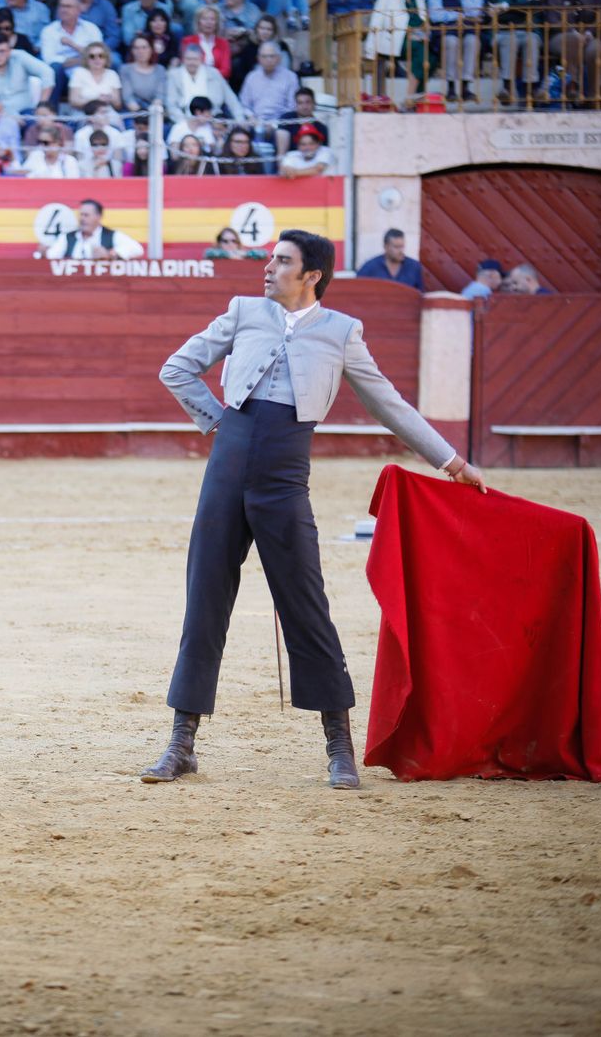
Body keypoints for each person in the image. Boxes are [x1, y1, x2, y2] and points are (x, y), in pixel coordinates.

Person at [144, 229, 487, 791]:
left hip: (284, 476)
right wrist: (218, 422)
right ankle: (181, 744)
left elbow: (389, 404)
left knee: (307, 605)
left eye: (282, 261)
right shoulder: (243, 311)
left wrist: (451, 462)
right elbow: (176, 368)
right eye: (271, 258)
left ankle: (339, 748)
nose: (268, 267)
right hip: (226, 471)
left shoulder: (341, 332)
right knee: (204, 600)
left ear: (312, 275)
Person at [484, 0, 543, 104]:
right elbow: (493, 16)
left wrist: (506, 7)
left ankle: (531, 87)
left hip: (529, 32)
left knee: (531, 40)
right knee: (510, 39)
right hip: (501, 33)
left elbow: (536, 8)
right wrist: (524, 9)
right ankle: (507, 87)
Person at [429, 0, 484, 102]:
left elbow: (474, 13)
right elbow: (435, 16)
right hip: (446, 31)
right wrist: (459, 15)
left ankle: (465, 87)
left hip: (468, 30)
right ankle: (451, 88)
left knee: (472, 41)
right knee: (451, 41)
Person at [0, 32, 53, 115]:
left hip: (24, 113)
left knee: (37, 123)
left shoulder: (20, 57)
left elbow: (48, 73)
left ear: (9, 51)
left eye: (2, 51)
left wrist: (42, 104)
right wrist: (9, 116)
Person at [45, 199, 143, 259]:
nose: (82, 219)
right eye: (81, 215)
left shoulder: (111, 235)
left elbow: (137, 249)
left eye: (86, 215)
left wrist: (110, 254)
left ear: (98, 216)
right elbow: (52, 256)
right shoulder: (68, 237)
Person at [357, 227, 424, 290]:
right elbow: (357, 291)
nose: (401, 251)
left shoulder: (414, 267)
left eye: (402, 246)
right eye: (396, 247)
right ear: (386, 247)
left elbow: (419, 295)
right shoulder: (370, 268)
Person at [204, 226, 268, 259]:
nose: (230, 244)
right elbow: (208, 253)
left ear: (238, 243)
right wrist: (229, 254)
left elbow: (264, 254)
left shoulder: (244, 254)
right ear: (219, 243)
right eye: (225, 241)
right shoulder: (213, 254)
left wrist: (244, 254)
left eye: (233, 241)